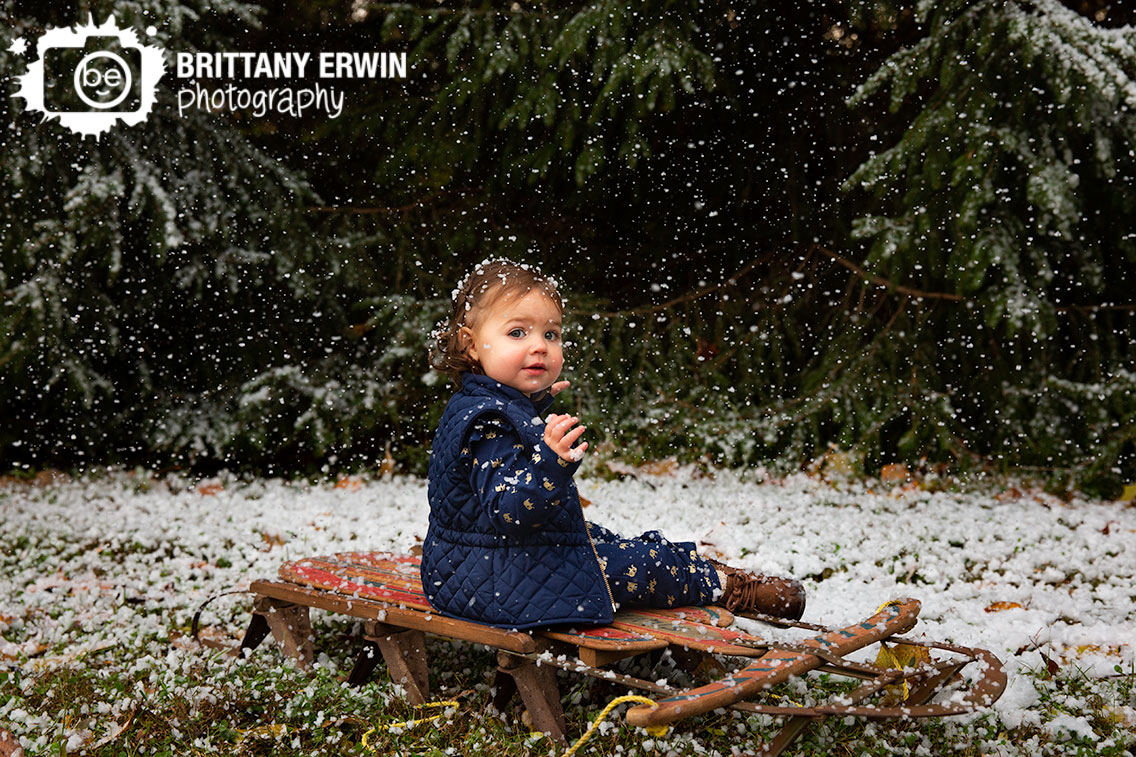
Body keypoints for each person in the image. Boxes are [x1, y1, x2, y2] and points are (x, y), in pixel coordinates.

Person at [421, 258, 805, 630]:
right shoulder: (489, 422)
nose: (540, 346)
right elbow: (512, 511)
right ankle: (724, 587)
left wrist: (531, 407)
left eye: (551, 334)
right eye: (518, 333)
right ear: (470, 345)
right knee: (630, 565)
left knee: (598, 537)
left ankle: (690, 564)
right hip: (500, 583)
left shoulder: (482, 406)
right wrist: (550, 462)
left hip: (476, 569)